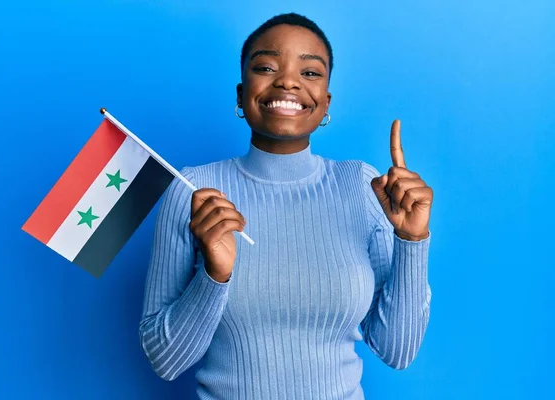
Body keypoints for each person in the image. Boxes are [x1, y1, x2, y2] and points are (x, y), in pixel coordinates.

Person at [139, 12, 433, 400]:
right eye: (266, 66)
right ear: (241, 95)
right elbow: (166, 360)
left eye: (310, 72)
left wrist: (412, 240)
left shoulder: (362, 186)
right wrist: (215, 276)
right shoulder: (194, 191)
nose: (288, 81)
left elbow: (397, 351)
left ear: (325, 103)